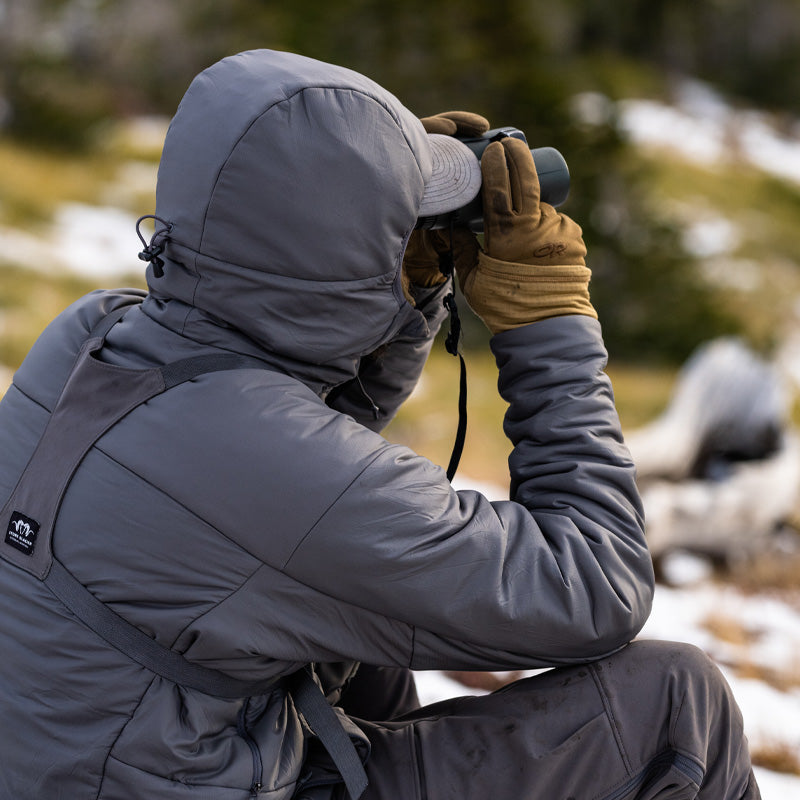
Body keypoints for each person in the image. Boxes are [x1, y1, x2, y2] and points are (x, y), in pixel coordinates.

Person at [0, 49, 759, 800]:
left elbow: (295, 464)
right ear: (336, 253)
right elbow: (596, 587)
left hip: (110, 755)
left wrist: (411, 289)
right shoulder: (276, 474)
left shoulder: (93, 336)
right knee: (678, 706)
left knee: (362, 628)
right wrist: (546, 317)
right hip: (176, 777)